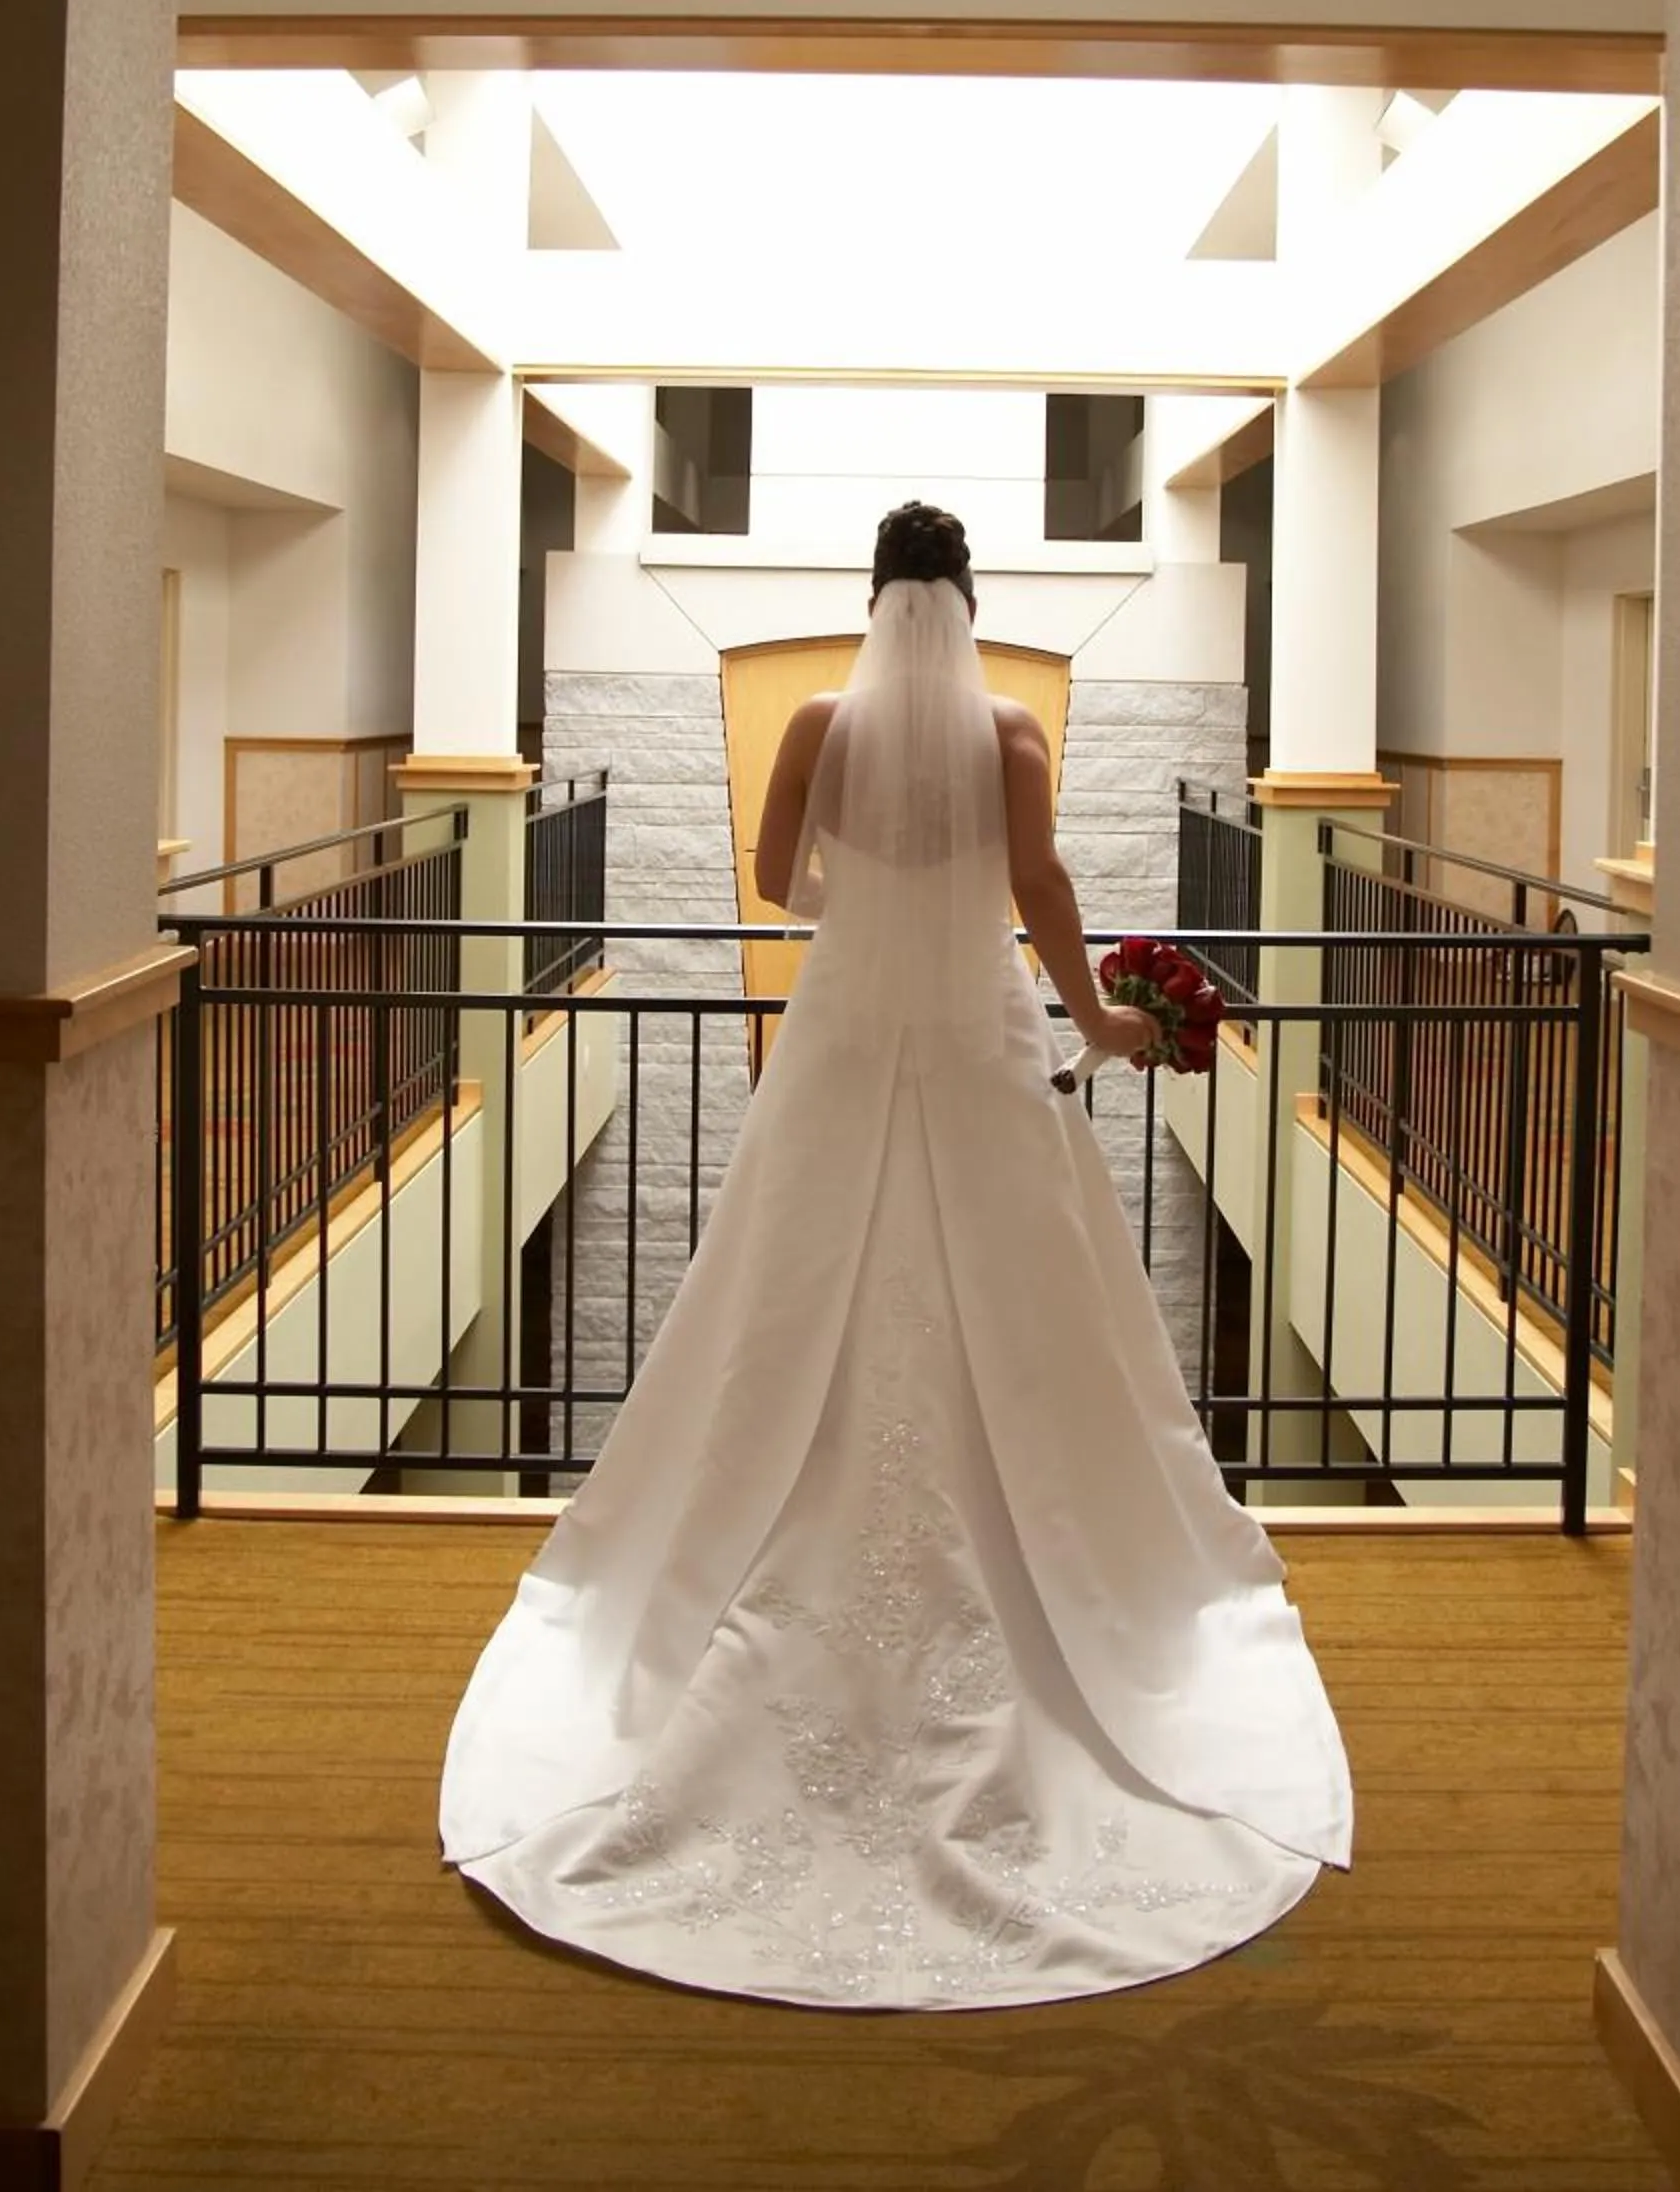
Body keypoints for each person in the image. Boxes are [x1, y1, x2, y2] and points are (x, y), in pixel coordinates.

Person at [440, 501, 1351, 2008]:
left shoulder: (812, 720)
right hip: (982, 1037)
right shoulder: (1011, 734)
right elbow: (1044, 892)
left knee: (783, 1285)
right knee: (1034, 1292)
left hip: (848, 1039)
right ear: (969, 603)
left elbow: (775, 873)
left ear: (875, 605)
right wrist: (1101, 1015)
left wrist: (869, 910)